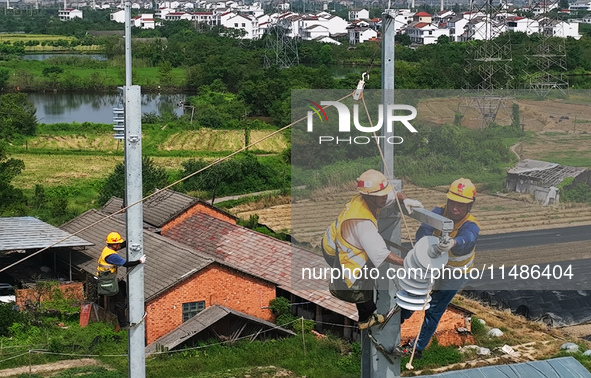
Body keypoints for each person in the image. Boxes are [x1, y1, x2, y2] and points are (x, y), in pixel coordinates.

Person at [321, 169, 423, 330]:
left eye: (384, 193)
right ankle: (366, 317)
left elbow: (395, 194)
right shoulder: (362, 223)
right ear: (369, 196)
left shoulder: (371, 198)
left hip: (334, 238)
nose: (385, 197)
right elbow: (382, 254)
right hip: (334, 250)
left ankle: (366, 312)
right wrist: (409, 262)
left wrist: (406, 200)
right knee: (358, 278)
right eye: (381, 195)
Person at [400, 178, 480, 359]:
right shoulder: (438, 212)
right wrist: (427, 241)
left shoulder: (471, 225)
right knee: (414, 292)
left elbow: (467, 240)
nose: (454, 208)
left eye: (460, 205)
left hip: (454, 273)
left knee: (434, 309)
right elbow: (424, 230)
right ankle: (396, 321)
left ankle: (416, 349)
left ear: (469, 206)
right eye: (452, 202)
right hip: (433, 265)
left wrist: (453, 242)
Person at [97, 232, 146, 330]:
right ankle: (123, 324)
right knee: (120, 303)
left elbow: (121, 246)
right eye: (118, 244)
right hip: (108, 283)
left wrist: (130, 241)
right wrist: (139, 261)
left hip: (108, 279)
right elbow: (126, 264)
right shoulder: (111, 256)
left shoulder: (107, 249)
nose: (119, 245)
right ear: (114, 245)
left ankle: (125, 303)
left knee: (123, 285)